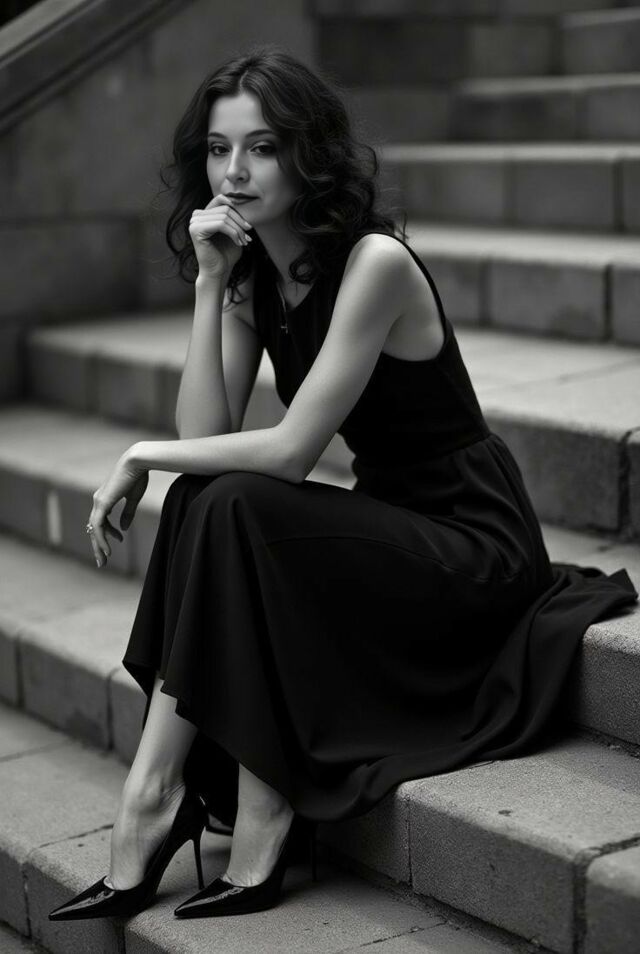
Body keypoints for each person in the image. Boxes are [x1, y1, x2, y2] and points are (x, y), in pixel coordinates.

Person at [49, 45, 637, 923]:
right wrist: (210, 285)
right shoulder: (252, 277)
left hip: (469, 545)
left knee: (235, 495)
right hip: (391, 524)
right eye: (218, 149)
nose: (235, 173)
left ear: (308, 153)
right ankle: (156, 793)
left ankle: (228, 801)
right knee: (211, 492)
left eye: (262, 148)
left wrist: (141, 455)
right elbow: (206, 433)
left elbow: (289, 452)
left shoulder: (374, 264)